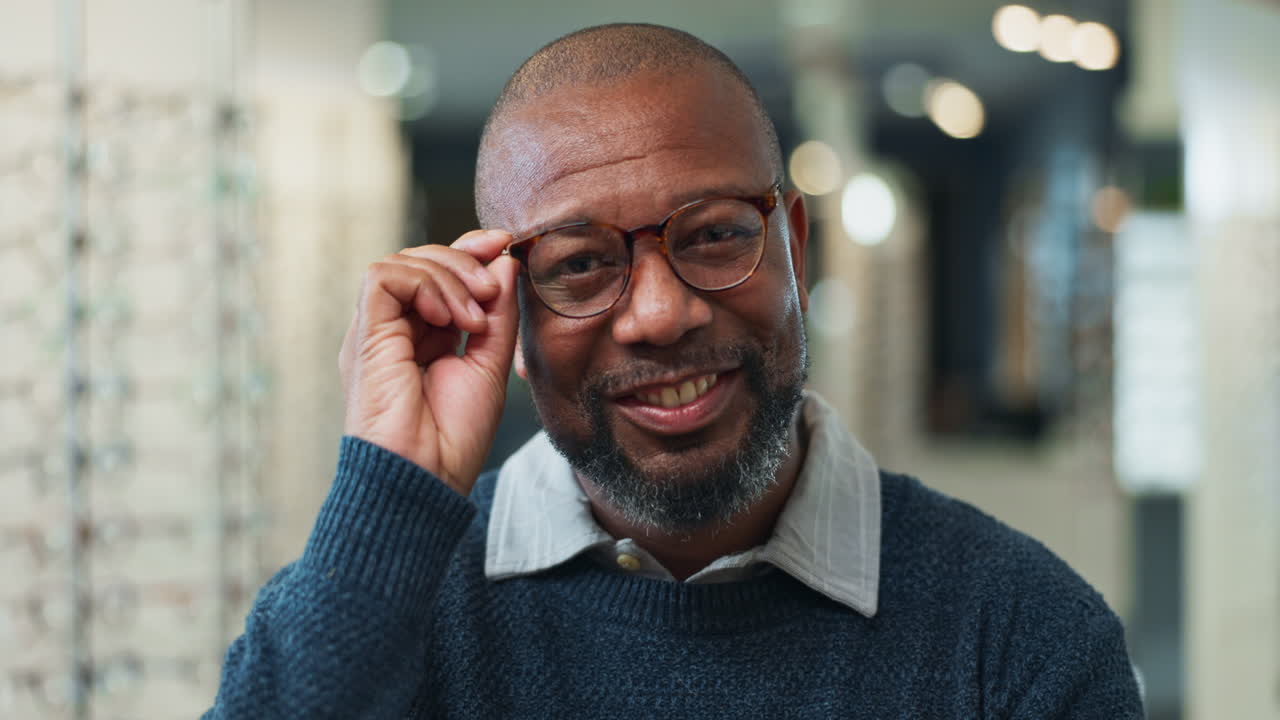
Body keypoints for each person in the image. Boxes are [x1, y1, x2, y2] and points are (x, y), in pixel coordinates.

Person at [205, 23, 1142, 719]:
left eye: (715, 236)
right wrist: (390, 488)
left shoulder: (1017, 632)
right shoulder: (387, 609)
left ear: (795, 248)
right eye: (579, 263)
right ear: (509, 309)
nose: (660, 313)